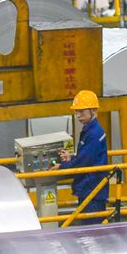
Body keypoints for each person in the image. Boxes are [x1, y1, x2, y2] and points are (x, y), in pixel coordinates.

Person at [54, 89, 109, 223]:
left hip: (92, 189)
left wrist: (61, 167)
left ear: (93, 111)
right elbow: (86, 157)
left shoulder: (94, 134)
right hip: (89, 187)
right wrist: (71, 158)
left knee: (92, 231)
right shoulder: (90, 130)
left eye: (81, 112)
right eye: (76, 111)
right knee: (90, 229)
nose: (78, 115)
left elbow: (83, 162)